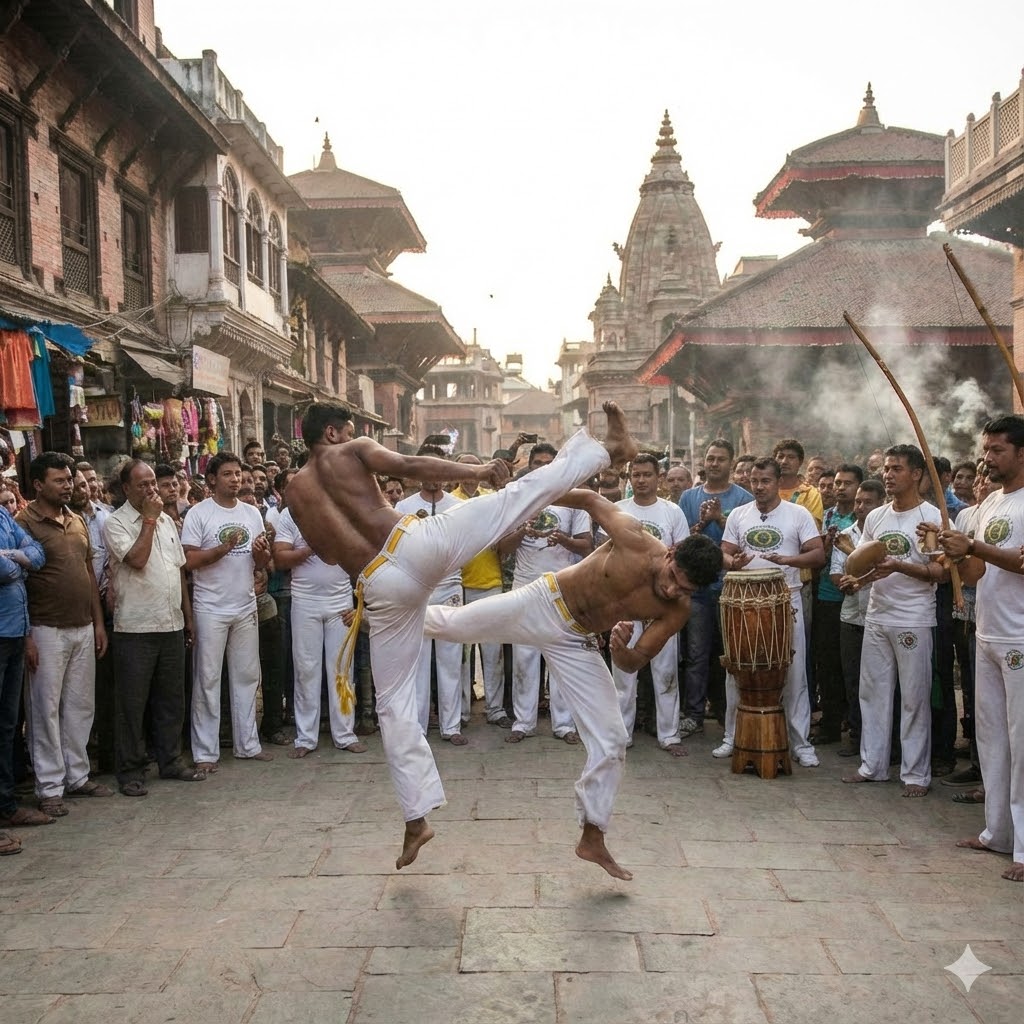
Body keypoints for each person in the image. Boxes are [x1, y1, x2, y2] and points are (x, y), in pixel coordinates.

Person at [286, 400, 634, 870]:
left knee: (393, 705)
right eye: (345, 430)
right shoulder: (352, 450)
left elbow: (328, 555)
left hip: (377, 584)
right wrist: (481, 473)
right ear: (330, 433)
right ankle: (604, 451)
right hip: (412, 545)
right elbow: (410, 465)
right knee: (513, 500)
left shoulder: (294, 492)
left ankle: (416, 818)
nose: (350, 435)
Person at [425, 492, 722, 878]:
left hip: (577, 640)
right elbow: (584, 497)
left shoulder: (676, 609)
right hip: (545, 601)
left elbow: (635, 662)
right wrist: (527, 494)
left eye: (683, 591)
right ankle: (382, 610)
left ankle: (593, 835)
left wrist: (620, 650)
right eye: (672, 579)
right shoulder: (633, 537)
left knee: (613, 739)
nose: (671, 592)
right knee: (454, 626)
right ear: (670, 553)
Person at [934, 416, 1024, 882]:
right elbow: (975, 574)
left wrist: (973, 546)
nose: (987, 458)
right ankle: (998, 832)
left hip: (1020, 637)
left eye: (998, 450)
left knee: (1023, 742)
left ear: (1022, 454)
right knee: (991, 739)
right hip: (986, 630)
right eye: (986, 449)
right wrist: (958, 554)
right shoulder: (990, 502)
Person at [842, 444, 944, 797]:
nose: (888, 474)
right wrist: (858, 579)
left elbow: (939, 573)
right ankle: (873, 765)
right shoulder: (876, 517)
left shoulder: (932, 516)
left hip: (913, 617)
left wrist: (901, 565)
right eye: (886, 468)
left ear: (916, 474)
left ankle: (916, 774)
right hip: (877, 614)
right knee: (872, 693)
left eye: (896, 468)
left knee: (914, 697)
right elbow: (871, 564)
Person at [17, 452, 111, 816]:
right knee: (44, 710)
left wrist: (98, 623)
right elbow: (19, 584)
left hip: (82, 627)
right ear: (38, 485)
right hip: (44, 628)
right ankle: (50, 787)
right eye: (60, 480)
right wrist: (26, 636)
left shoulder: (76, 520)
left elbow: (89, 573)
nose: (68, 485)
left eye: (69, 478)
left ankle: (77, 776)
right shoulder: (24, 523)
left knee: (79, 705)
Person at [103, 461, 204, 796]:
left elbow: (178, 571)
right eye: (143, 485)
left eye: (153, 484)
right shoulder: (116, 523)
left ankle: (171, 760)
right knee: (132, 704)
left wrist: (187, 619)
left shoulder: (166, 521)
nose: (151, 490)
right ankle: (130, 770)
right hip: (135, 627)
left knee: (170, 699)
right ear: (126, 489)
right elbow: (137, 559)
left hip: (170, 623)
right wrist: (147, 519)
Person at [716, 457, 823, 767]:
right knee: (737, 670)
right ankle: (731, 737)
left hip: (785, 599)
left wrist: (790, 561)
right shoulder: (738, 514)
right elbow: (724, 552)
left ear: (778, 482)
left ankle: (800, 744)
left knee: (793, 673)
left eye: (765, 481)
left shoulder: (798, 514)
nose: (759, 487)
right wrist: (730, 563)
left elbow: (817, 553)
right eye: (754, 481)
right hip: (744, 602)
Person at [181, 452, 273, 771]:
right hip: (210, 607)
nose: (235, 479)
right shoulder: (199, 514)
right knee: (207, 679)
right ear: (211, 479)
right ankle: (205, 753)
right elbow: (189, 561)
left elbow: (260, 563)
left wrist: (261, 556)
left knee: (247, 676)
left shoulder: (252, 513)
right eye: (228, 474)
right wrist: (223, 548)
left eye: (238, 474)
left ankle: (248, 744)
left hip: (245, 603)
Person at [497, 442, 594, 745]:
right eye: (538, 463)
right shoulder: (519, 498)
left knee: (560, 656)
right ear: (530, 466)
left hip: (561, 589)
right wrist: (521, 532)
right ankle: (523, 722)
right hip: (525, 588)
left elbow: (586, 544)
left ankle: (563, 723)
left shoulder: (573, 499)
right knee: (524, 657)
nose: (543, 467)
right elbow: (501, 549)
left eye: (549, 462)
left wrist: (562, 539)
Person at [606, 454, 689, 752]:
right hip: (626, 603)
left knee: (665, 671)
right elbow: (606, 554)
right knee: (623, 675)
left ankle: (669, 733)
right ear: (629, 478)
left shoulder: (673, 512)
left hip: (662, 605)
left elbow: (681, 558)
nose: (641, 480)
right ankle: (621, 734)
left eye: (647, 475)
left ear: (659, 478)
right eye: (636, 475)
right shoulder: (618, 511)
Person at [273, 506, 366, 758]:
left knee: (342, 669)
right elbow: (280, 558)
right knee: (306, 670)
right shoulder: (291, 514)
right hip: (305, 601)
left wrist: (359, 603)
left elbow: (361, 556)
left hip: (341, 602)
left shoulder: (342, 508)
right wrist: (311, 549)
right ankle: (305, 737)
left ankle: (345, 734)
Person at [679, 439, 753, 736]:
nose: (714, 463)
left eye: (721, 459)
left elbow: (746, 541)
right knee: (696, 654)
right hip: (697, 589)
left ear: (731, 463)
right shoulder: (688, 497)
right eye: (710, 458)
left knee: (730, 654)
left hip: (732, 588)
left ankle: (729, 716)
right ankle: (694, 714)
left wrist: (718, 519)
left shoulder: (744, 498)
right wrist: (699, 525)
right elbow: (682, 538)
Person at [395, 454, 467, 744]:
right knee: (418, 662)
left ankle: (451, 727)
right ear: (418, 473)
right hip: (417, 589)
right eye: (428, 469)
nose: (434, 476)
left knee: (450, 661)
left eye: (439, 470)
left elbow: (465, 546)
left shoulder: (459, 507)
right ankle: (419, 727)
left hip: (449, 588)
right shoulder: (404, 507)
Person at [0, 497, 48, 849]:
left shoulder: (2, 514)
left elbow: (38, 552)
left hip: (15, 630)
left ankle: (5, 805)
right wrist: (19, 561)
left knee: (6, 725)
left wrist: (13, 557)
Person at [450, 454, 510, 730]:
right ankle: (461, 711)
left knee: (492, 652)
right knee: (461, 655)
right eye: (465, 467)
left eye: (473, 466)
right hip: (459, 586)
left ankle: (495, 709)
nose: (469, 472)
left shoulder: (491, 499)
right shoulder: (451, 501)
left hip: (491, 583)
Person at [831, 479, 886, 758]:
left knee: (879, 682)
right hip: (852, 615)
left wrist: (852, 553)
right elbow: (837, 574)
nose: (861, 507)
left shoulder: (883, 535)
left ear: (880, 504)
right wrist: (846, 582)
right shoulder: (845, 533)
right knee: (853, 679)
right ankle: (856, 735)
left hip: (879, 617)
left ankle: (885, 743)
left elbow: (881, 571)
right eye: (858, 502)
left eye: (868, 502)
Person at [813, 464, 862, 744]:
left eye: (847, 483)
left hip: (854, 600)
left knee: (851, 667)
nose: (840, 488)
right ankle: (831, 724)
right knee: (827, 663)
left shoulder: (863, 516)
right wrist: (827, 544)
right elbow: (823, 556)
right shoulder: (829, 515)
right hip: (827, 596)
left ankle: (852, 723)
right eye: (837, 483)